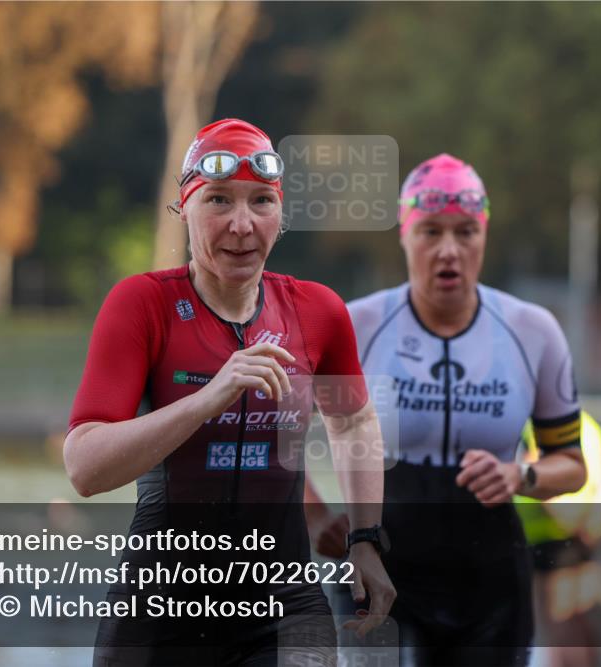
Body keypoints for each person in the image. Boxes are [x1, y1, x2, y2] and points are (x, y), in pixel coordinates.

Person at [65, 119, 395, 666]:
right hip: (159, 609)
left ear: (281, 215)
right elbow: (84, 468)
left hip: (284, 606)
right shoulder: (143, 306)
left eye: (261, 202)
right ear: (184, 210)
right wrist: (209, 397)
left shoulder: (317, 312)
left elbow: (353, 420)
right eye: (218, 200)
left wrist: (366, 537)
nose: (242, 225)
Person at [304, 153, 587, 666]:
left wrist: (520, 474)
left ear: (485, 236)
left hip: (489, 572)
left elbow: (572, 464)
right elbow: (268, 436)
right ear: (404, 235)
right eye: (430, 232)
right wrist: (314, 512)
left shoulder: (533, 331)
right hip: (380, 557)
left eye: (465, 233)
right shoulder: (357, 324)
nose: (448, 251)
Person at [516, 411, 601, 667]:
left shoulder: (534, 427)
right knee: (577, 619)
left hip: (550, 537)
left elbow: (539, 480)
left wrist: (568, 521)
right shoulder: (587, 423)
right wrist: (594, 524)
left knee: (558, 625)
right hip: (584, 534)